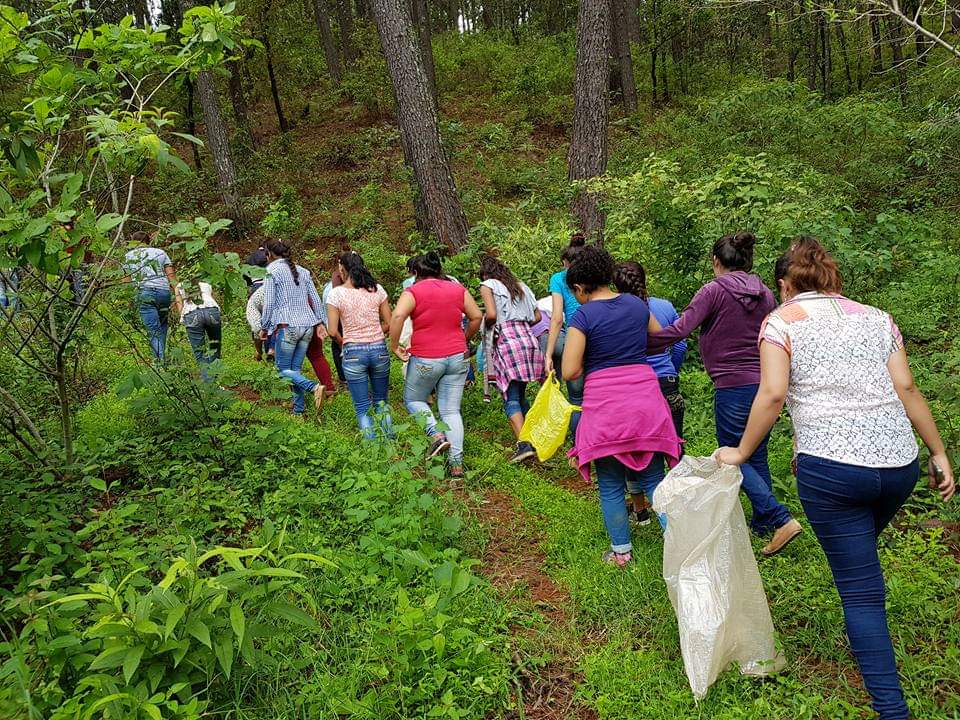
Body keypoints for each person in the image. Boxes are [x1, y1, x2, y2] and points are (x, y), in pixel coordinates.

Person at [716, 237, 955, 720]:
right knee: (859, 557)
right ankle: (865, 630)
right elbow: (906, 387)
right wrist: (939, 452)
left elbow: (773, 394)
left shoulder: (780, 322)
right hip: (898, 466)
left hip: (832, 469)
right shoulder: (878, 318)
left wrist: (740, 452)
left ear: (784, 284)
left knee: (861, 592)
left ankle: (892, 709)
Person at [648, 231, 802, 556]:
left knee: (732, 455)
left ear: (716, 261)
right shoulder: (765, 294)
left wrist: (640, 343)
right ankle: (763, 523)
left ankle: (780, 518)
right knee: (755, 453)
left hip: (732, 385)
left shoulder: (713, 291)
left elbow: (681, 329)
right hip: (765, 382)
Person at [562, 246, 681, 566]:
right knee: (654, 480)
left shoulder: (584, 316)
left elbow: (569, 370)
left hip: (606, 407)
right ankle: (681, 546)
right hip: (645, 400)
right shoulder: (635, 304)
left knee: (611, 484)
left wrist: (593, 357)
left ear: (580, 288)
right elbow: (660, 338)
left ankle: (621, 553)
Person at [390, 252, 483, 477]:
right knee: (451, 410)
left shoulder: (413, 291)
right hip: (458, 356)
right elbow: (477, 317)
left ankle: (436, 435)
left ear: (416, 272)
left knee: (414, 400)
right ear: (439, 270)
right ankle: (457, 466)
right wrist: (464, 338)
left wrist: (394, 345)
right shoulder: (457, 289)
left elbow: (398, 316)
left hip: (426, 357)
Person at [613, 260, 687, 526]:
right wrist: (670, 370)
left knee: (635, 449)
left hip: (634, 388)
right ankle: (682, 509)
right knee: (674, 446)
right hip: (666, 382)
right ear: (644, 279)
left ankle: (640, 509)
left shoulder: (615, 312)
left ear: (616, 286)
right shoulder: (664, 306)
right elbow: (679, 346)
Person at [479, 256, 543, 463]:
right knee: (520, 394)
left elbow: (491, 314)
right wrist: (520, 323)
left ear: (485, 274)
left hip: (507, 341)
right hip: (528, 340)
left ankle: (524, 445)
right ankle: (532, 441)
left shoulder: (488, 285)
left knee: (510, 397)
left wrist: (484, 324)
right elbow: (538, 317)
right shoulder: (521, 286)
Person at [327, 251, 394, 440]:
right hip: (379, 350)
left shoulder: (335, 294)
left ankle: (371, 448)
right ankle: (390, 443)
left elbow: (332, 331)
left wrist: (345, 343)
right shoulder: (377, 290)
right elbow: (389, 322)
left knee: (362, 407)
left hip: (353, 352)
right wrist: (375, 333)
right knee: (381, 402)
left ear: (342, 269)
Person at [260, 239, 326, 416]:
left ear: (269, 254)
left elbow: (268, 303)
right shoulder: (303, 271)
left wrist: (264, 326)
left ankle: (314, 387)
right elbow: (316, 299)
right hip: (307, 326)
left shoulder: (271, 271)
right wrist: (320, 322)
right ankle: (298, 411)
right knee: (294, 370)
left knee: (282, 370)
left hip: (288, 326)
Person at [543, 233, 586, 436]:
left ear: (565, 262)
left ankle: (579, 446)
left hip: (574, 338)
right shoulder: (593, 276)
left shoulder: (559, 278)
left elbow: (557, 318)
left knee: (576, 399)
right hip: (598, 335)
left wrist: (548, 354)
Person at [122, 231, 175, 362]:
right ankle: (163, 358)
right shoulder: (161, 253)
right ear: (149, 241)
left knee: (153, 331)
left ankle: (159, 365)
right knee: (162, 326)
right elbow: (171, 276)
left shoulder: (128, 256)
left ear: (133, 241)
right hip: (163, 293)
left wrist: (128, 299)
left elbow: (126, 280)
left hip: (144, 293)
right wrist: (178, 294)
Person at [174, 280, 221, 383]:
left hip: (191, 313)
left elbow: (180, 306)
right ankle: (215, 378)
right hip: (212, 310)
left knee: (200, 352)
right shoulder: (207, 283)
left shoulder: (179, 286)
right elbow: (212, 298)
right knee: (215, 346)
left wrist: (182, 319)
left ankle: (209, 384)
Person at [245, 251, 272, 362]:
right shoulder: (270, 258)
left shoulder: (250, 258)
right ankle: (270, 351)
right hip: (268, 286)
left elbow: (245, 276)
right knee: (270, 320)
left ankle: (259, 350)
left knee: (256, 320)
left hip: (255, 287)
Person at [322, 266, 347, 385]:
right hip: (345, 326)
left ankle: (344, 379)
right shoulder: (363, 284)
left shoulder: (329, 287)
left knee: (337, 346)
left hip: (337, 326)